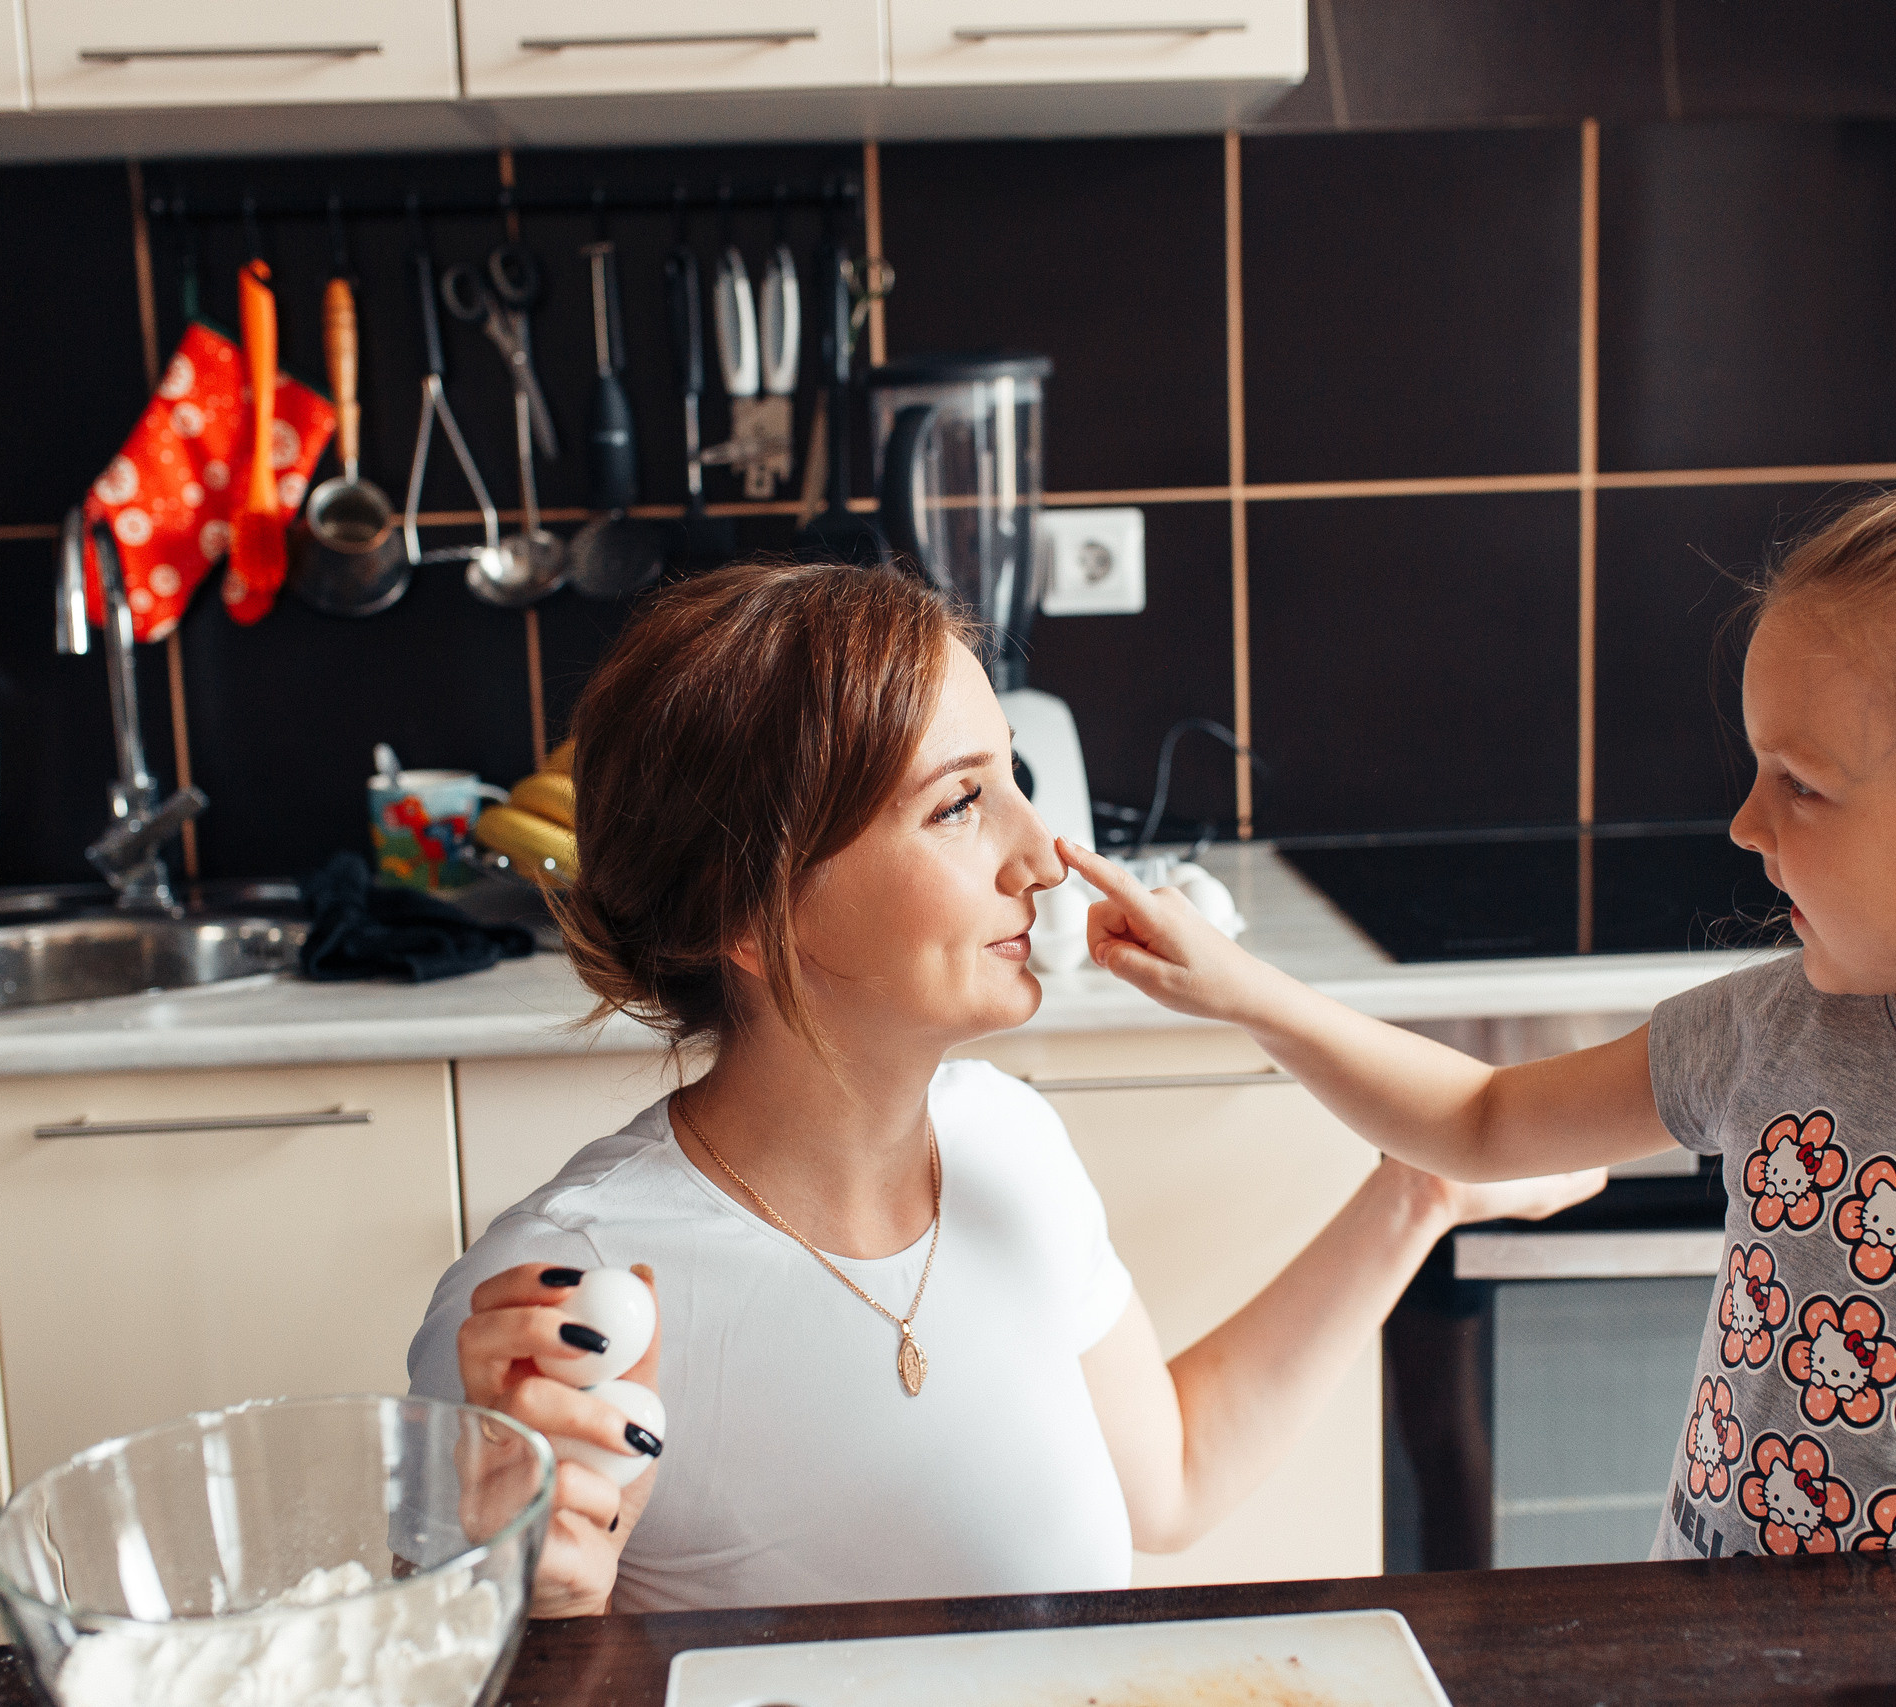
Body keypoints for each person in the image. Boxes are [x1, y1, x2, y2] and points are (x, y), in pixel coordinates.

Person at [1069, 454, 1896, 1559]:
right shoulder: (1772, 1035)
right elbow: (1479, 1122)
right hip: (1711, 1652)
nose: (1744, 826)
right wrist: (1245, 995)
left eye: (1803, 786)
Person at [407, 560, 1601, 1614]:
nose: (1042, 858)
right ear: (746, 913)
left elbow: (1169, 1481)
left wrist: (1415, 1195)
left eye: (1011, 782)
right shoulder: (549, 1314)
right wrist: (557, 1608)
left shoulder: (1005, 1139)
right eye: (961, 803)